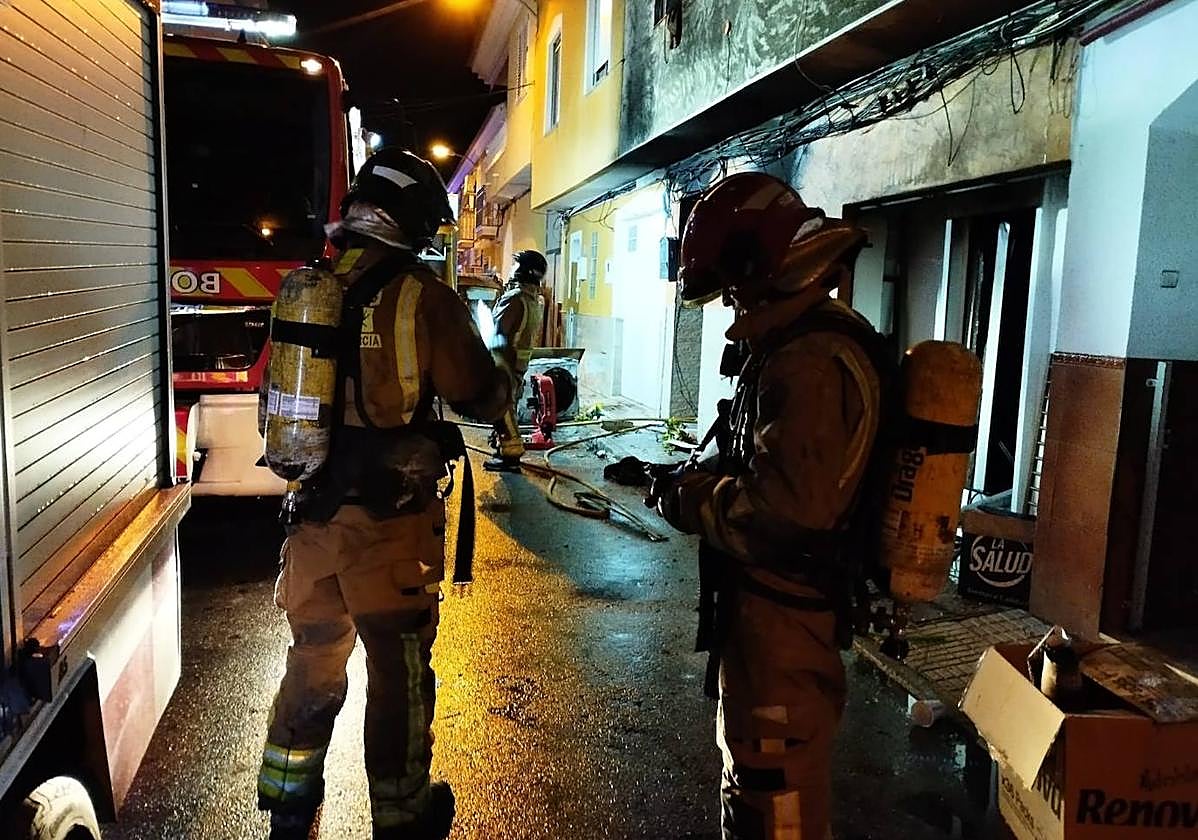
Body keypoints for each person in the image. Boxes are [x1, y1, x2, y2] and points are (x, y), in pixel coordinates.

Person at [256, 148, 511, 840]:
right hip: (387, 529)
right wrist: (504, 382)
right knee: (396, 676)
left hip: (310, 520)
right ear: (413, 221)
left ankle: (287, 801)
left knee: (313, 659)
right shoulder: (421, 297)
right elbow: (478, 392)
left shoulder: (310, 286)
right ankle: (403, 817)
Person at [650, 173, 887, 840]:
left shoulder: (809, 359)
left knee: (776, 793)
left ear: (761, 263)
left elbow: (787, 514)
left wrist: (690, 497)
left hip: (786, 622)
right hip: (770, 617)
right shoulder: (798, 341)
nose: (730, 303)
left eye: (732, 286)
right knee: (757, 782)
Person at [483, 249, 548, 472]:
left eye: (515, 265)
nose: (512, 270)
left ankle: (511, 455)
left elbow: (498, 330)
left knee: (503, 408)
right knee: (508, 405)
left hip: (504, 362)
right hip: (518, 364)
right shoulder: (533, 299)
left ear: (523, 271)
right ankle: (504, 448)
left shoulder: (515, 298)